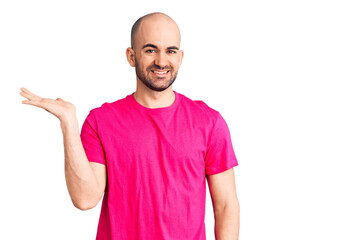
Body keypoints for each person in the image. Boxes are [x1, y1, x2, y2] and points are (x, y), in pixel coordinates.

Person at [20, 12, 239, 240]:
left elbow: (225, 206)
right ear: (131, 56)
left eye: (170, 51)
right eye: (150, 50)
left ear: (181, 57)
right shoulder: (101, 121)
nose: (161, 61)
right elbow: (85, 199)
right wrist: (68, 123)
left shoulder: (209, 122)